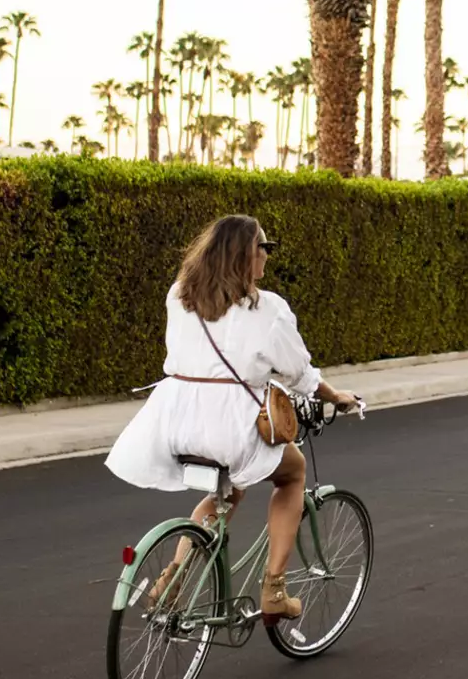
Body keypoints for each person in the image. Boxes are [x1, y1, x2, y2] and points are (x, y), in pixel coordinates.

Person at [105, 214, 360, 621]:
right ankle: (274, 588)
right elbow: (299, 374)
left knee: (226, 492)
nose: (268, 258)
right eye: (265, 248)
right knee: (293, 472)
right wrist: (337, 396)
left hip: (176, 420)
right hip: (228, 426)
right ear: (246, 255)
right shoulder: (267, 309)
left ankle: (173, 578)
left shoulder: (179, 296)